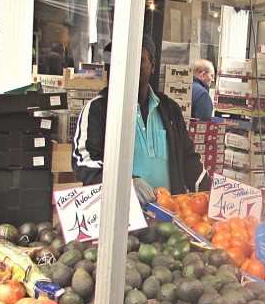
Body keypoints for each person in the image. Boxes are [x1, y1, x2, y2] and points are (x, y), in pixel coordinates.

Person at [72, 33, 210, 203]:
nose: (128, 65)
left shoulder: (170, 110)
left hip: (166, 213)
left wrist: (214, 193)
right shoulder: (98, 109)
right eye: (122, 59)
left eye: (138, 59)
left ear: (152, 65)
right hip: (118, 212)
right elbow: (85, 162)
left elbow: (189, 161)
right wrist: (126, 183)